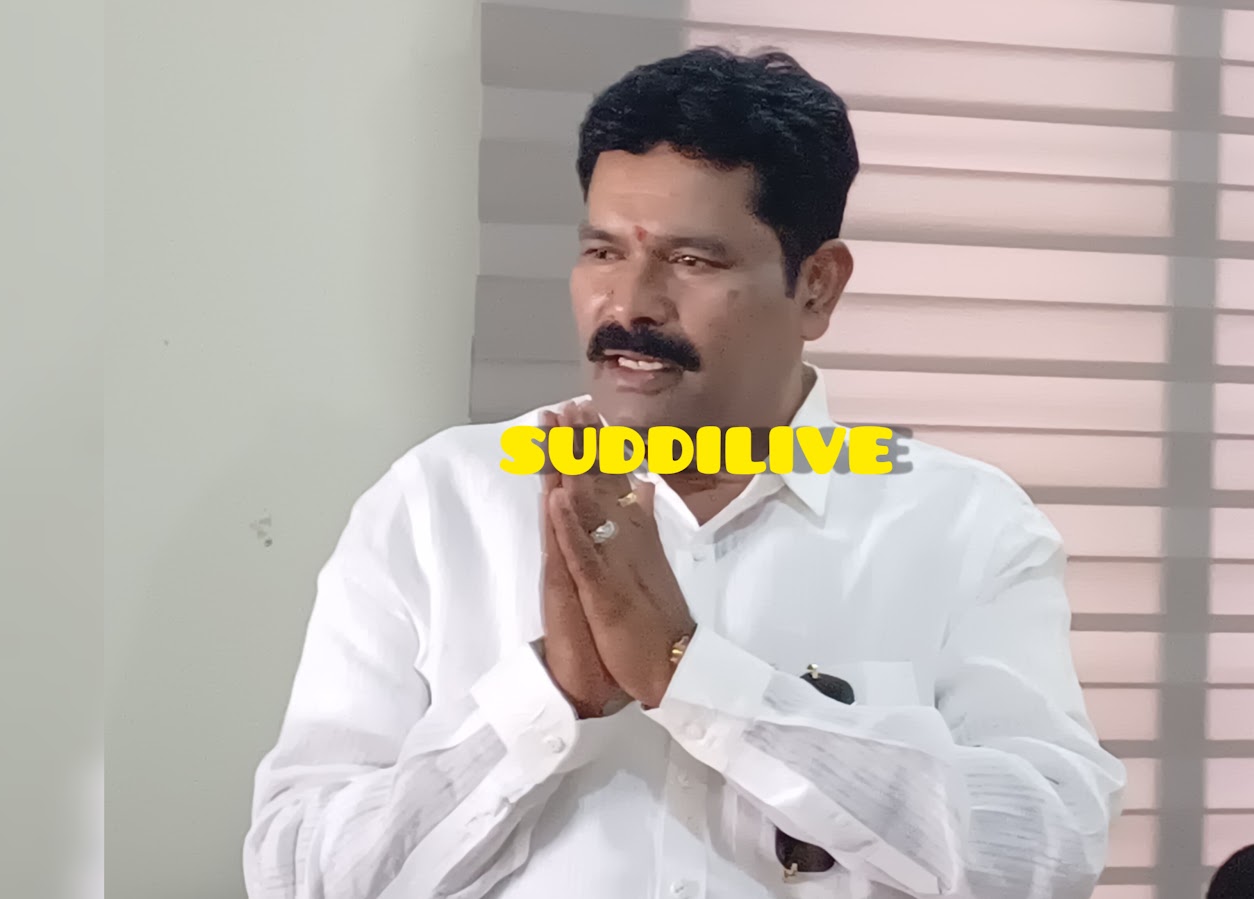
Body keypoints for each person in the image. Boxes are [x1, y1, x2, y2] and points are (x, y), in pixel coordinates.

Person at [244, 47, 1125, 899]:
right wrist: (551, 696)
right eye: (602, 251)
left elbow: (1043, 857)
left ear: (817, 286)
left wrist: (696, 679)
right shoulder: (440, 501)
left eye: (692, 260)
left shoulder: (962, 524)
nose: (629, 302)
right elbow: (297, 873)